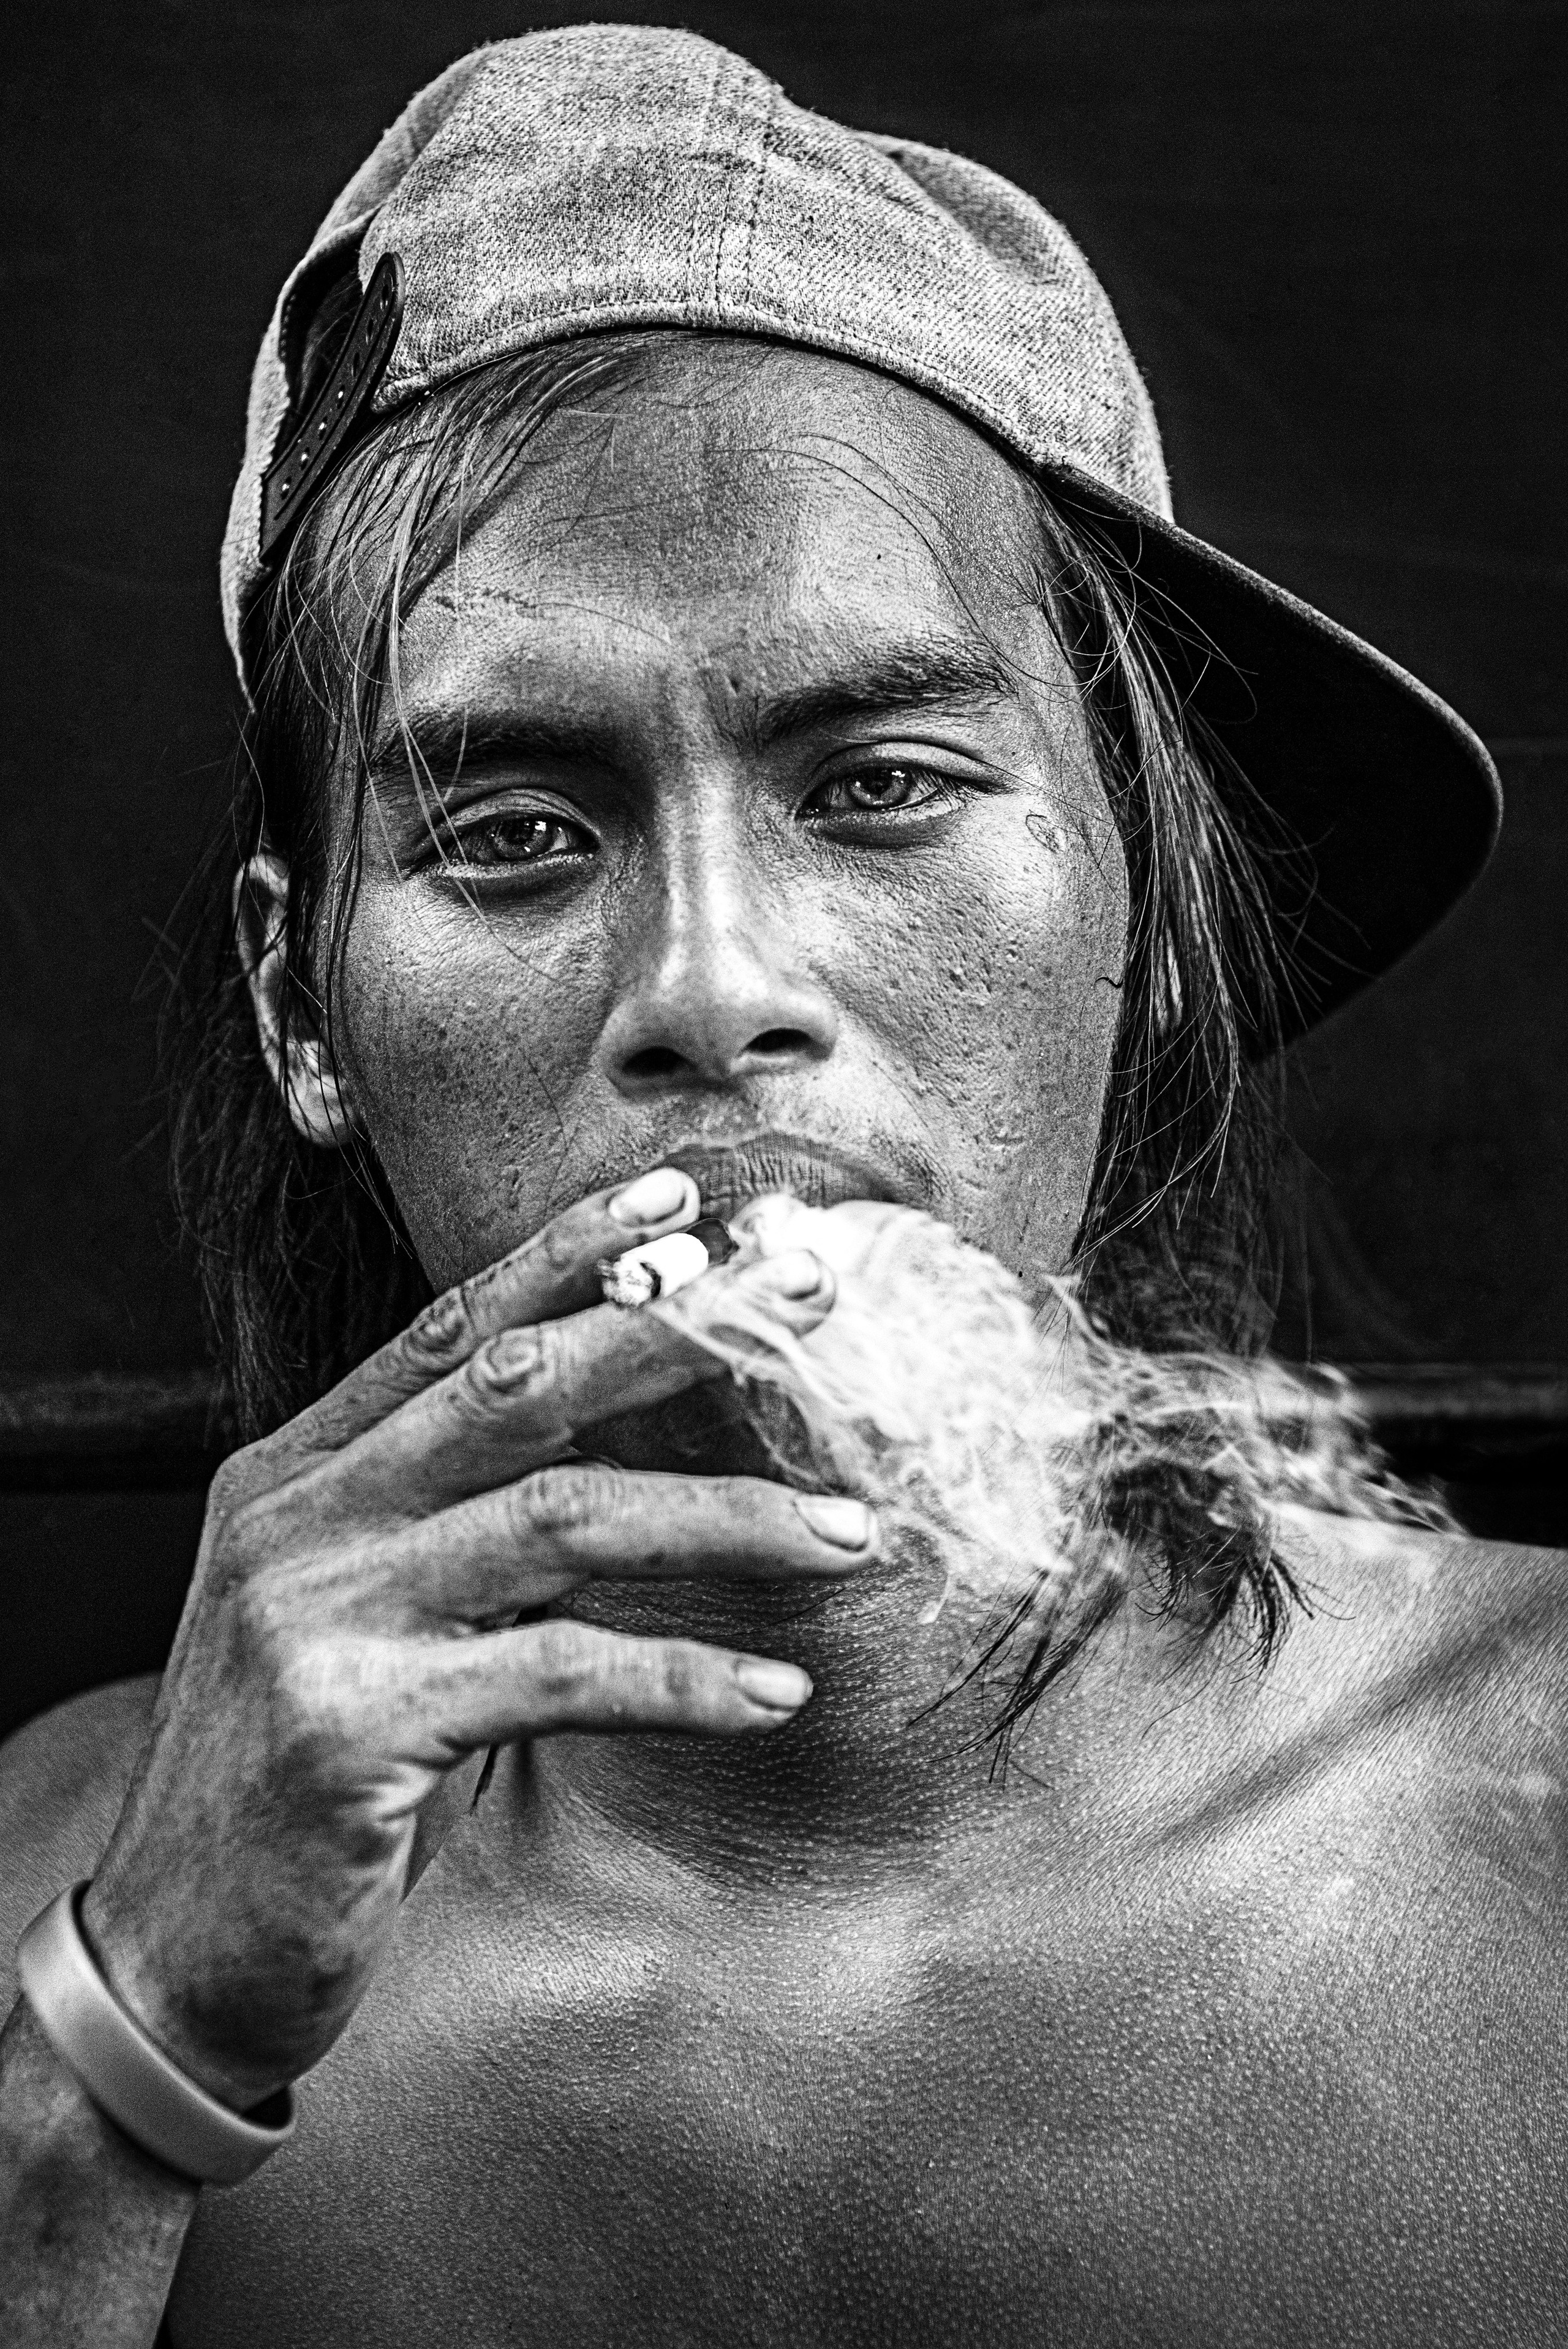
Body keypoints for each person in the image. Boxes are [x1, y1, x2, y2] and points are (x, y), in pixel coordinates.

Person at [1, 25, 1561, 2345]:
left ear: (1146, 916)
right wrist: (121, 2081)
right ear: (303, 1008)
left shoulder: (1544, 1805)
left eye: (889, 781)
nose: (714, 987)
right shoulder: (65, 1896)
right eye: (515, 832)